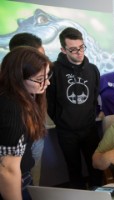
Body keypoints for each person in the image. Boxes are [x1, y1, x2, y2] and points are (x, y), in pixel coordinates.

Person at [46, 27, 103, 189]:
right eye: (73, 49)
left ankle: (97, 194)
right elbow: (49, 102)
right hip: (66, 131)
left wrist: (90, 117)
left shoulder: (93, 70)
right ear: (63, 50)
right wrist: (61, 119)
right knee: (73, 168)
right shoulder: (54, 70)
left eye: (81, 47)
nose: (79, 52)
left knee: (95, 166)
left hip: (89, 128)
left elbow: (93, 97)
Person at [0, 46, 51, 200]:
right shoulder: (12, 109)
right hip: (12, 180)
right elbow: (7, 169)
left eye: (48, 76)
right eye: (40, 79)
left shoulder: (22, 97)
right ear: (17, 78)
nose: (47, 83)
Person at [8, 32, 46, 186]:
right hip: (16, 151)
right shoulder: (8, 104)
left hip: (35, 133)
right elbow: (8, 169)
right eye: (38, 57)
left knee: (32, 181)